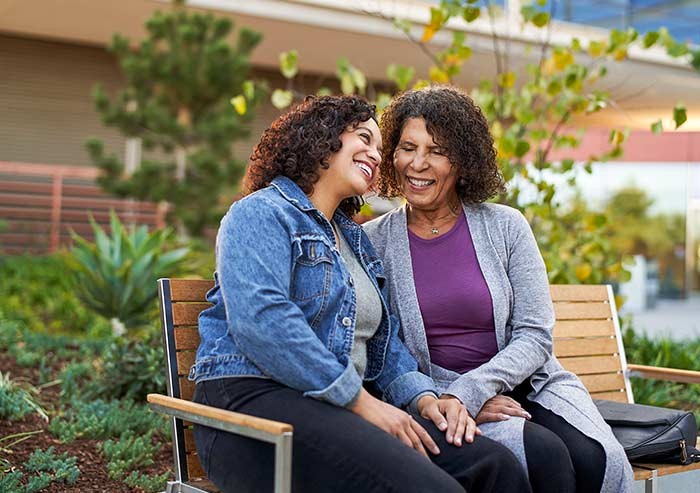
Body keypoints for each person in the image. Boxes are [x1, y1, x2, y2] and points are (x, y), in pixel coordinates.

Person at [189, 95, 530, 493]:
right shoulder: (261, 213)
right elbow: (264, 323)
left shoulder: (355, 241)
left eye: (380, 149)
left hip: (335, 407)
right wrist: (362, 403)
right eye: (365, 138)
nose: (376, 155)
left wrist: (424, 400)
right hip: (255, 409)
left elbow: (384, 346)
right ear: (322, 139)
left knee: (495, 466)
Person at [364, 85, 633, 493]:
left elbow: (535, 334)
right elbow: (385, 355)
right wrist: (456, 398)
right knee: (544, 456)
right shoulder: (373, 243)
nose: (417, 164)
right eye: (407, 147)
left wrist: (473, 390)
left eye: (437, 150)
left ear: (463, 161)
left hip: (530, 384)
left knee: (597, 459)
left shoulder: (505, 226)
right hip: (438, 398)